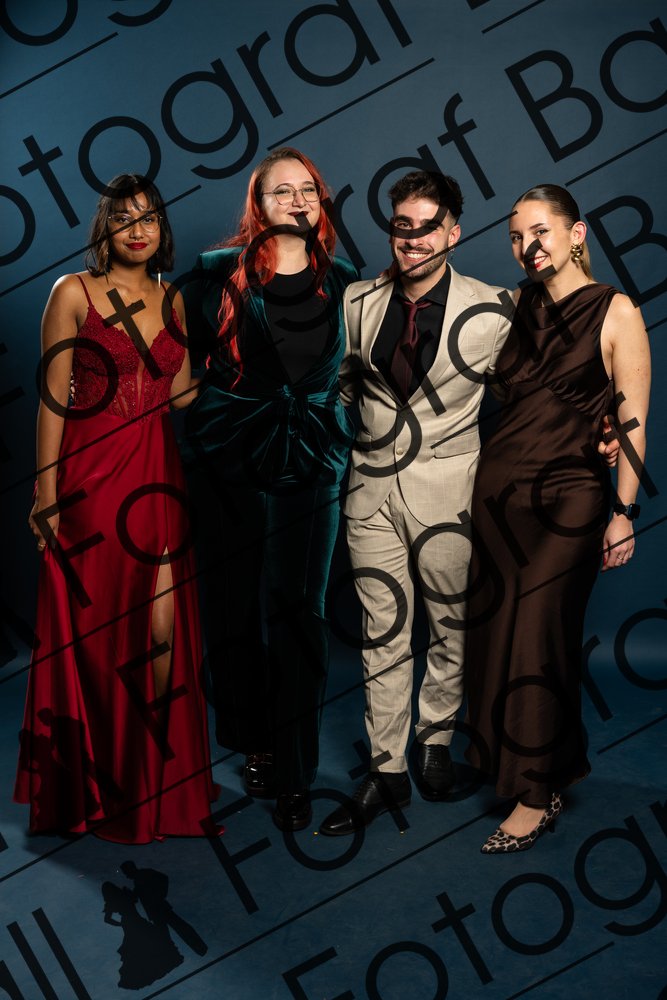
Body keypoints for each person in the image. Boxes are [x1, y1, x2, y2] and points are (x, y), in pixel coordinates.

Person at [15, 174, 220, 844]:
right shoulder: (71, 292)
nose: (138, 229)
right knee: (99, 640)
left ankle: (147, 781)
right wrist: (46, 496)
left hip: (157, 482)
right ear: (105, 228)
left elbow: (180, 394)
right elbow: (52, 397)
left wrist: (242, 367)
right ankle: (101, 787)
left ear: (163, 229)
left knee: (159, 634)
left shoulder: (173, 298)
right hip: (90, 482)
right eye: (124, 218)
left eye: (149, 218)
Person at [318, 170, 517, 836]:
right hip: (370, 492)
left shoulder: (493, 309)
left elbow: (524, 399)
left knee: (451, 627)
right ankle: (387, 771)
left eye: (428, 227)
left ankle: (434, 744)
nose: (413, 238)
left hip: (448, 493)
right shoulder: (358, 300)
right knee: (383, 633)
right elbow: (341, 387)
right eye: (402, 226)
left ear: (453, 233)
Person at [464, 184, 650, 853]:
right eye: (516, 236)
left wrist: (622, 511)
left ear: (577, 234)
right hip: (498, 498)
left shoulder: (616, 310)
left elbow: (630, 422)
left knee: (538, 631)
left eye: (540, 231)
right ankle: (525, 763)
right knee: (497, 631)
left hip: (570, 498)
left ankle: (534, 796)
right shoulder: (511, 307)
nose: (527, 246)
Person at [182, 147, 358, 831]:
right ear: (258, 205)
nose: (296, 200)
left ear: (320, 200)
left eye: (306, 189)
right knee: (232, 606)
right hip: (229, 458)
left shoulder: (345, 282)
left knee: (300, 615)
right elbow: (171, 361)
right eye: (280, 191)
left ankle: (293, 770)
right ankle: (251, 738)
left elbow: (365, 370)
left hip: (312, 462)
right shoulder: (212, 275)